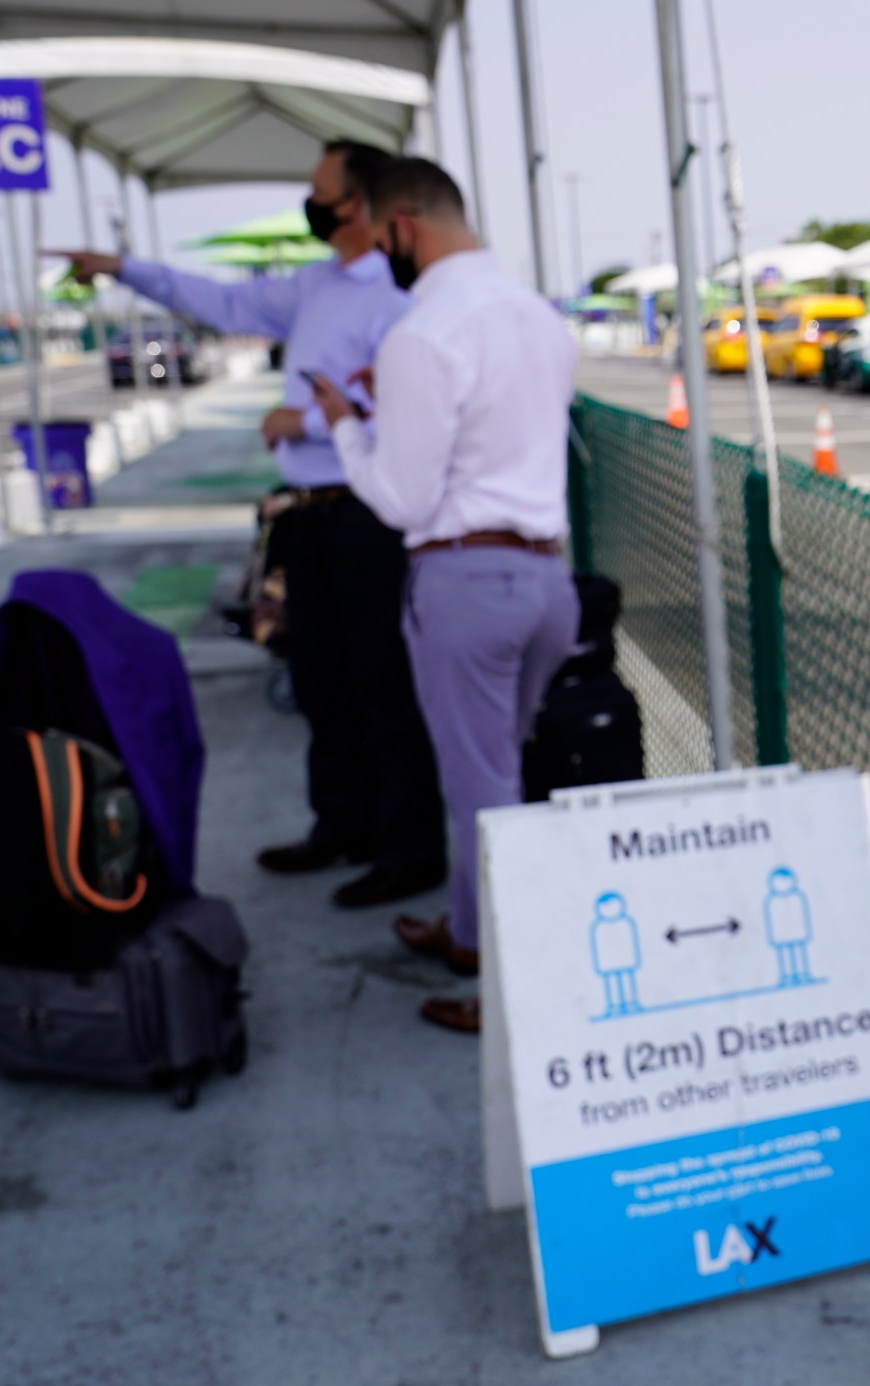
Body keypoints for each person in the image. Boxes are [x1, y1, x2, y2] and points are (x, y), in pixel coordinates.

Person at [58, 140, 447, 912]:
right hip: (309, 517)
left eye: (320, 191)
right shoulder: (316, 285)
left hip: (368, 512)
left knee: (382, 686)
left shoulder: (397, 297)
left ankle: (409, 850)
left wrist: (299, 421)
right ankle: (342, 824)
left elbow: (406, 402)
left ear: (358, 206)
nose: (312, 202)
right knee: (321, 680)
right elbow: (223, 303)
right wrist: (121, 267)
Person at [311, 157, 580, 1035]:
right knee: (497, 773)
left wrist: (348, 427)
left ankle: (512, 1001)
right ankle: (469, 934)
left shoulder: (422, 333)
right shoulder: (542, 318)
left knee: (483, 797)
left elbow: (401, 499)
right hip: (548, 580)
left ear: (401, 228)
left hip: (468, 583)